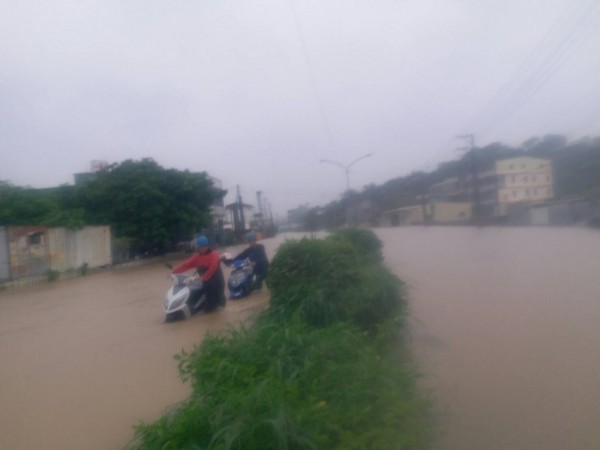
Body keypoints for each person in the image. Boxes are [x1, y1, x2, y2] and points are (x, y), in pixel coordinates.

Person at [172, 235, 225, 312]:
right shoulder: (197, 257)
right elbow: (186, 264)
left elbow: (212, 268)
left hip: (217, 283)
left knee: (218, 306)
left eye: (203, 246)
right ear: (198, 248)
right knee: (208, 308)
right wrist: (174, 271)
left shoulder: (214, 255)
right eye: (200, 247)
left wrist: (203, 277)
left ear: (207, 245)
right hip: (206, 283)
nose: (202, 249)